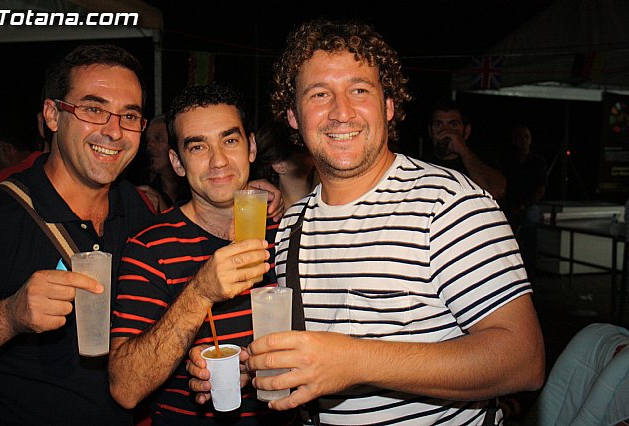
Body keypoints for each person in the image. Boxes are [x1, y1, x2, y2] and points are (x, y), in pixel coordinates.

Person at [188, 19, 545, 425]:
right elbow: (315, 359)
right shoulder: (291, 227)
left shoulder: (449, 203)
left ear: (388, 106)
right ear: (293, 117)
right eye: (319, 94)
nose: (341, 112)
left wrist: (355, 361)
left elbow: (523, 361)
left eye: (359, 90)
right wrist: (254, 367)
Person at [0, 45, 284, 425]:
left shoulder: (136, 209)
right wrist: (9, 315)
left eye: (128, 116)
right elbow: (129, 382)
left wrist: (253, 192)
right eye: (93, 109)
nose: (113, 131)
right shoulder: (0, 214)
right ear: (52, 115)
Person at [108, 83, 293, 425]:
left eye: (230, 141)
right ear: (177, 163)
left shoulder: (287, 232)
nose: (218, 160)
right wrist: (200, 292)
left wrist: (253, 367)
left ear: (251, 147)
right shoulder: (150, 247)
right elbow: (125, 388)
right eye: (198, 147)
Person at [426, 99, 507, 200]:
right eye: (438, 125)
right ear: (430, 131)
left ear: (466, 131)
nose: (445, 132)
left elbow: (496, 191)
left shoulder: (483, 160)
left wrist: (463, 150)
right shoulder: (422, 164)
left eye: (453, 125)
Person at [501, 124, 547, 276]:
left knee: (530, 222)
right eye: (520, 137)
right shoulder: (507, 162)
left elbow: (540, 190)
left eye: (526, 137)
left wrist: (523, 206)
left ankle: (529, 267)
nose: (523, 140)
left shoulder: (538, 162)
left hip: (530, 206)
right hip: (510, 205)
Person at [252, 121, 319, 207]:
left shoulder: (324, 202)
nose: (310, 151)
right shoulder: (264, 212)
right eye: (300, 149)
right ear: (279, 165)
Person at [136, 114, 190, 211]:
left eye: (158, 138)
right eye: (147, 140)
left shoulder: (196, 189)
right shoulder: (144, 191)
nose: (149, 145)